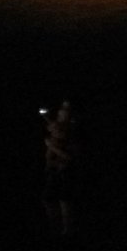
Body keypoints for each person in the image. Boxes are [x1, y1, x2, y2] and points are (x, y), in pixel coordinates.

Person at [42, 100, 82, 239]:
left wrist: (52, 146)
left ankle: (67, 232)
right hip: (53, 170)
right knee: (49, 199)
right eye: (62, 107)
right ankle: (55, 229)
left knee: (65, 200)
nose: (62, 110)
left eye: (67, 108)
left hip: (66, 171)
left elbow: (70, 157)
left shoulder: (73, 130)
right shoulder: (57, 125)